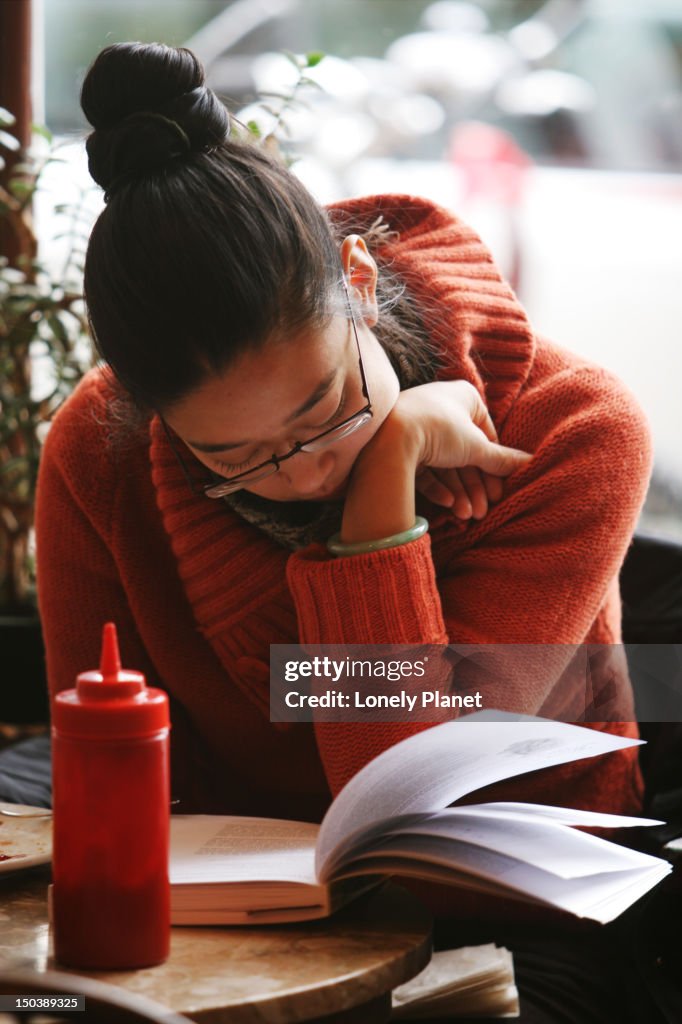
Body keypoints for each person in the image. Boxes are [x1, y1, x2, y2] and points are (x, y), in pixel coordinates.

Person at [34, 42, 670, 1022]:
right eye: (234, 456)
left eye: (327, 409)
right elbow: (114, 786)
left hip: (511, 902)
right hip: (237, 900)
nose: (303, 471)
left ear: (360, 282)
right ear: (153, 414)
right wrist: (379, 443)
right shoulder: (99, 448)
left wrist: (379, 508)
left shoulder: (574, 431)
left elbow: (416, 802)